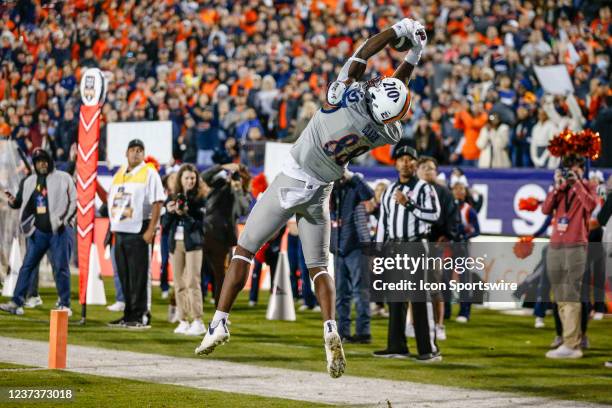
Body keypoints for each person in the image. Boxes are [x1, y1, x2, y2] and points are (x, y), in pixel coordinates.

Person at [195, 18, 428, 379]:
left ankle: (219, 322)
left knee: (245, 248)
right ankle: (330, 328)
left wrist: (398, 30)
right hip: (322, 191)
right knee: (319, 267)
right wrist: (415, 52)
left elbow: (365, 51)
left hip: (293, 179)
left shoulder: (343, 98)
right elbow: (394, 91)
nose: (378, 82)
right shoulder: (385, 132)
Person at [373, 146, 441, 362]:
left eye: (409, 159)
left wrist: (409, 204)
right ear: (395, 164)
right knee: (395, 299)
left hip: (415, 246)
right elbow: (383, 222)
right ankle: (397, 345)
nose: (405, 163)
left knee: (419, 299)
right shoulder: (389, 189)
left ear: (415, 164)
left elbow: (434, 215)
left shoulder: (424, 188)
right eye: (401, 159)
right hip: (394, 247)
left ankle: (427, 349)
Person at [0, 148, 75, 316]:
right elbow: (19, 203)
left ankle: (65, 304)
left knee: (61, 267)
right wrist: (12, 201)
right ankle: (17, 302)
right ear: (34, 163)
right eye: (38, 160)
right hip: (38, 232)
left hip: (59, 232)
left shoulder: (64, 178)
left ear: (50, 161)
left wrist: (64, 222)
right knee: (27, 266)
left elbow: (74, 202)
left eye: (44, 160)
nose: (42, 163)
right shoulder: (28, 182)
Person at [541, 156, 597, 359]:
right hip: (556, 244)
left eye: (573, 170)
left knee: (571, 293)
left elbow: (591, 206)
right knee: (559, 296)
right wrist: (557, 187)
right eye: (567, 170)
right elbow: (545, 209)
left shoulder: (589, 186)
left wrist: (577, 184)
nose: (570, 173)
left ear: (581, 170)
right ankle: (568, 339)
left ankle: (572, 344)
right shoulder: (560, 189)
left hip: (575, 245)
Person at [106, 139, 165, 329]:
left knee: (139, 276)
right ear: (126, 153)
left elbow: (158, 202)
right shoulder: (119, 173)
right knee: (124, 276)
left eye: (140, 150)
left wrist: (151, 229)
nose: (136, 153)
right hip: (120, 230)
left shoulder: (149, 172)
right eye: (133, 150)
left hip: (140, 229)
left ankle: (141, 315)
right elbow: (112, 201)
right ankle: (128, 314)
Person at [330, 170, 374, 344]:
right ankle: (343, 331)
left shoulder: (355, 186)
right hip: (339, 246)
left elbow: (368, 194)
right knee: (341, 293)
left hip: (357, 245)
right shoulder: (332, 189)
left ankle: (364, 332)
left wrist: (352, 176)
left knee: (360, 291)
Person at [163, 164, 207, 336]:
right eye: (187, 178)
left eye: (192, 178)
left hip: (194, 244)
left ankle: (198, 320)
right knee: (179, 283)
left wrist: (186, 214)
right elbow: (165, 226)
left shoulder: (200, 198)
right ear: (180, 179)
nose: (190, 181)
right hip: (176, 244)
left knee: (192, 282)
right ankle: (182, 320)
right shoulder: (173, 197)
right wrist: (169, 212)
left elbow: (200, 226)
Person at [200, 162, 252, 306]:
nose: (236, 178)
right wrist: (222, 167)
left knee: (220, 275)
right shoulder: (219, 184)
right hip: (206, 232)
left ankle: (219, 309)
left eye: (239, 177)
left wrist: (237, 190)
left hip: (223, 237)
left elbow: (243, 210)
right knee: (198, 271)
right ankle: (194, 306)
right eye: (236, 176)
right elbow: (204, 177)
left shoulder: (244, 194)